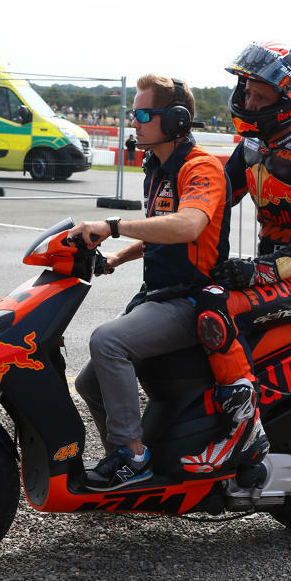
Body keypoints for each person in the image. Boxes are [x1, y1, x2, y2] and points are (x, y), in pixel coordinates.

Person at [182, 41, 291, 474]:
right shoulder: (254, 146)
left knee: (215, 309)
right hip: (270, 275)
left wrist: (259, 271)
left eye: (262, 95)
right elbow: (216, 202)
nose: (249, 101)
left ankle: (244, 435)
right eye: (248, 91)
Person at [70, 74, 231, 490]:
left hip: (193, 300)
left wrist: (112, 226)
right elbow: (159, 230)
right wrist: (117, 258)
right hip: (158, 295)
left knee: (108, 341)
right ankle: (121, 462)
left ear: (176, 120)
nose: (134, 123)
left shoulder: (200, 168)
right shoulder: (157, 168)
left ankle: (134, 457)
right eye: (132, 114)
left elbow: (187, 226)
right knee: (89, 382)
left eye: (143, 114)